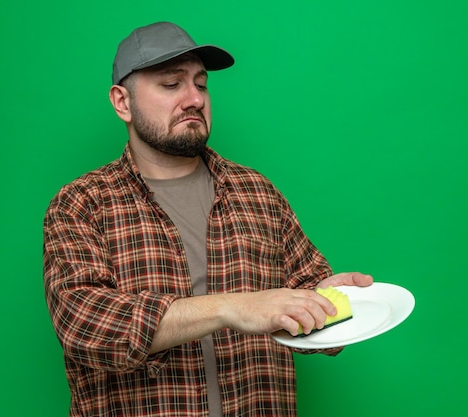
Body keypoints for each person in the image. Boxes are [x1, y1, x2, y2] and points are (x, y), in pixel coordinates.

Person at [43, 21, 373, 417]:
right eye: (171, 85)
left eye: (201, 84)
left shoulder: (257, 192)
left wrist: (327, 302)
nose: (194, 99)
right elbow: (85, 325)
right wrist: (230, 307)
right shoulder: (81, 204)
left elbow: (303, 297)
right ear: (122, 102)